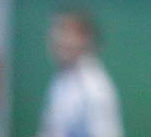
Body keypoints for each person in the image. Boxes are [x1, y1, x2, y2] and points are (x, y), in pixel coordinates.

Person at [37, 8, 121, 137]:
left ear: (85, 38)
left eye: (65, 31)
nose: (57, 37)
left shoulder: (94, 87)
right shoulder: (63, 79)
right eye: (55, 29)